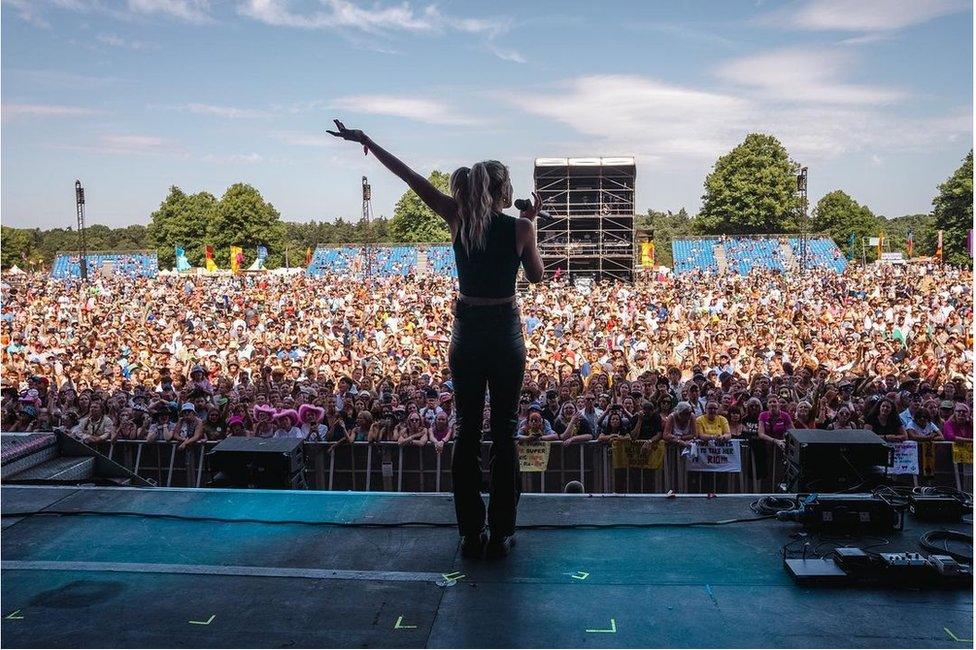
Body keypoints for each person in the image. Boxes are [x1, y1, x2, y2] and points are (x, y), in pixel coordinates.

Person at [328, 119, 544, 559]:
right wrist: (529, 220)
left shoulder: (457, 218)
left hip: (466, 333)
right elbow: (537, 276)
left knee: (465, 431)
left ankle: (469, 529)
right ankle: (502, 529)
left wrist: (367, 141)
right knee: (504, 431)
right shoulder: (519, 228)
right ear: (502, 190)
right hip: (505, 332)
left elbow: (409, 176)